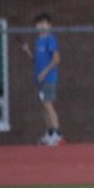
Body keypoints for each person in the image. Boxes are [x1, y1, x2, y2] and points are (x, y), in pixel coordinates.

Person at [20, 12, 63, 146]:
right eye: (39, 24)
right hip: (38, 79)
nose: (41, 26)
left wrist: (44, 73)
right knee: (43, 106)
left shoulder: (50, 39)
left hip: (48, 78)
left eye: (44, 23)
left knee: (48, 104)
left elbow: (56, 59)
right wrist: (27, 51)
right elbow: (36, 60)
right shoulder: (37, 41)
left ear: (49, 26)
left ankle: (57, 134)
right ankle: (49, 133)